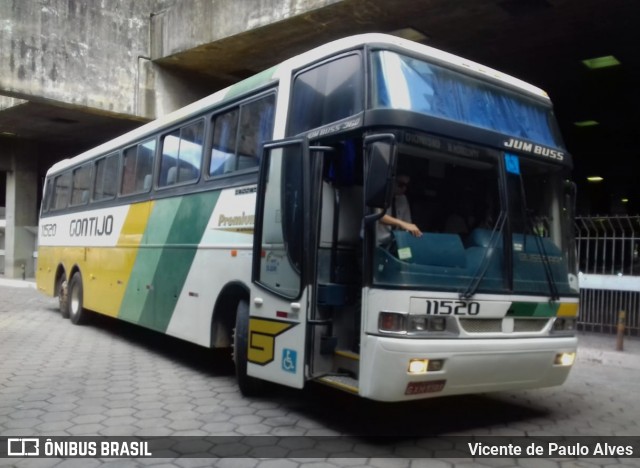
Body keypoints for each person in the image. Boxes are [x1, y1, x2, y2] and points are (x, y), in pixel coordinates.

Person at [377, 174, 422, 245]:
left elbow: (407, 223)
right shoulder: (377, 194)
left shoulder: (403, 199)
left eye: (407, 186)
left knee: (407, 254)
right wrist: (401, 223)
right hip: (375, 242)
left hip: (394, 243)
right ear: (392, 181)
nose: (404, 188)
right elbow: (378, 216)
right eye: (401, 184)